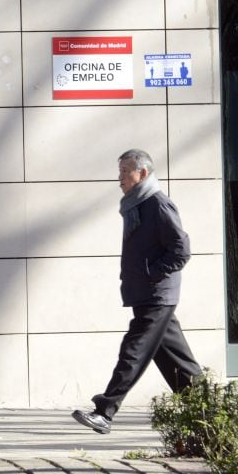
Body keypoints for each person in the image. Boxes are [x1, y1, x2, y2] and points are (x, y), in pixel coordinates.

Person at [72, 149, 202, 435]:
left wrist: (151, 273)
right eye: (119, 171)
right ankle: (210, 413)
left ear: (142, 173)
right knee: (177, 361)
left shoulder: (157, 204)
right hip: (147, 294)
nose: (119, 178)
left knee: (133, 351)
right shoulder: (136, 205)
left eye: (124, 171)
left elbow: (181, 250)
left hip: (157, 295)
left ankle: (105, 412)